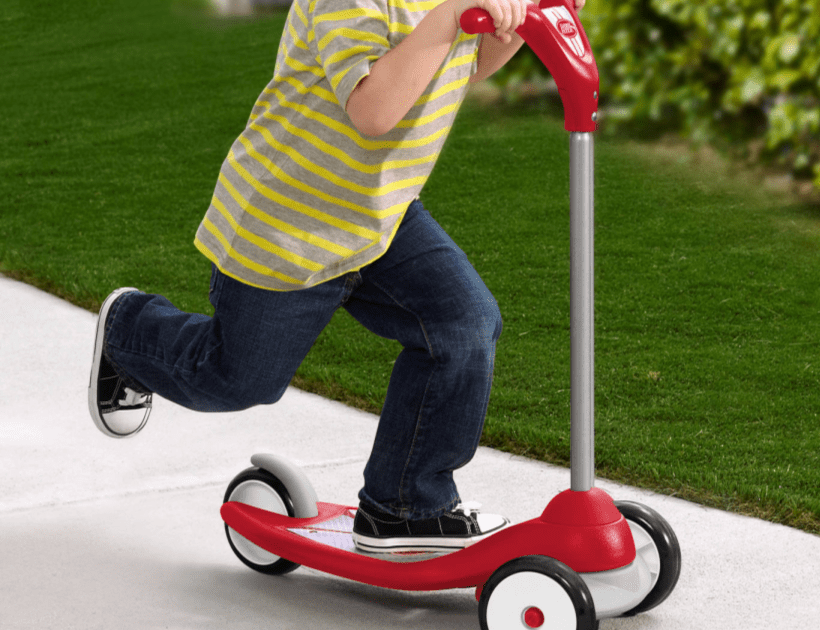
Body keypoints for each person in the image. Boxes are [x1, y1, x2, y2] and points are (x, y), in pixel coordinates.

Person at [88, 0, 581, 553]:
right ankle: (130, 329)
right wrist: (453, 14)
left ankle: (403, 506)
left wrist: (517, 18)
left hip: (381, 217)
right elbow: (373, 111)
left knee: (461, 324)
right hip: (289, 223)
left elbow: (468, 63)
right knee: (236, 378)